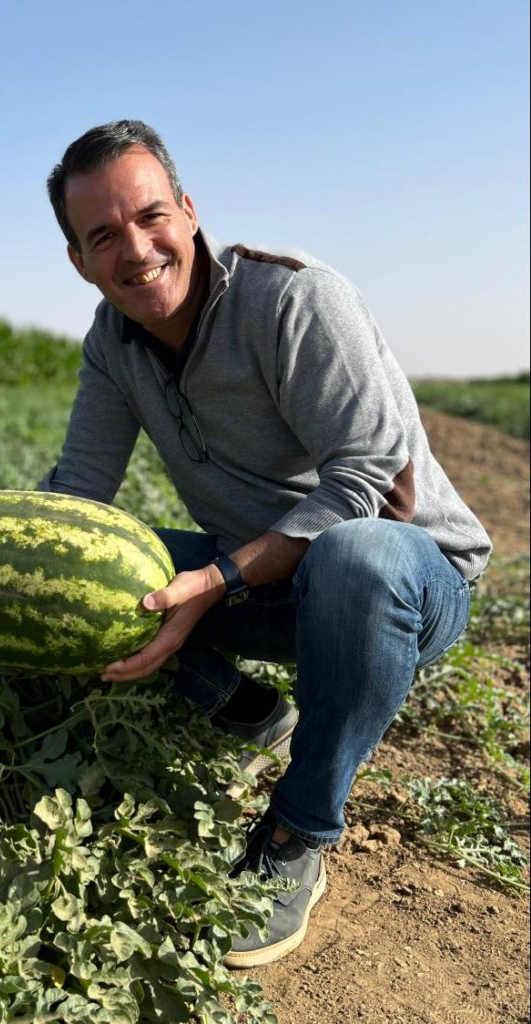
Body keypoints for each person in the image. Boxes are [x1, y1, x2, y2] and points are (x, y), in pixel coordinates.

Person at [39, 119, 492, 968]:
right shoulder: (112, 345)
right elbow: (78, 499)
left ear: (188, 209)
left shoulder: (292, 298)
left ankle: (297, 831)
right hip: (266, 581)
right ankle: (250, 710)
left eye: (149, 217)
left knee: (354, 557)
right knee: (95, 573)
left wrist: (215, 577)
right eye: (103, 235)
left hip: (404, 578)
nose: (135, 250)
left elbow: (364, 479)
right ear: (80, 261)